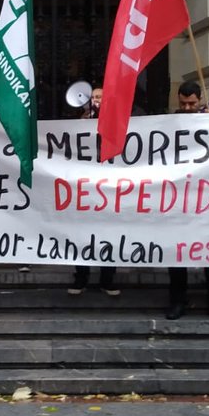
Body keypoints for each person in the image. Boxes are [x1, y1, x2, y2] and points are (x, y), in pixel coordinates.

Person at [167, 81, 209, 320]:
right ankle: (178, 300)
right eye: (183, 103)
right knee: (177, 256)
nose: (188, 107)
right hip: (179, 201)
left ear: (200, 100)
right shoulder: (167, 125)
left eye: (192, 103)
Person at [70, 86, 117, 296]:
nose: (96, 100)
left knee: (109, 236)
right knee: (82, 236)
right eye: (94, 97)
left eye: (100, 97)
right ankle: (81, 278)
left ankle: (107, 280)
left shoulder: (117, 121)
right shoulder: (81, 121)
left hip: (109, 191)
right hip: (86, 192)